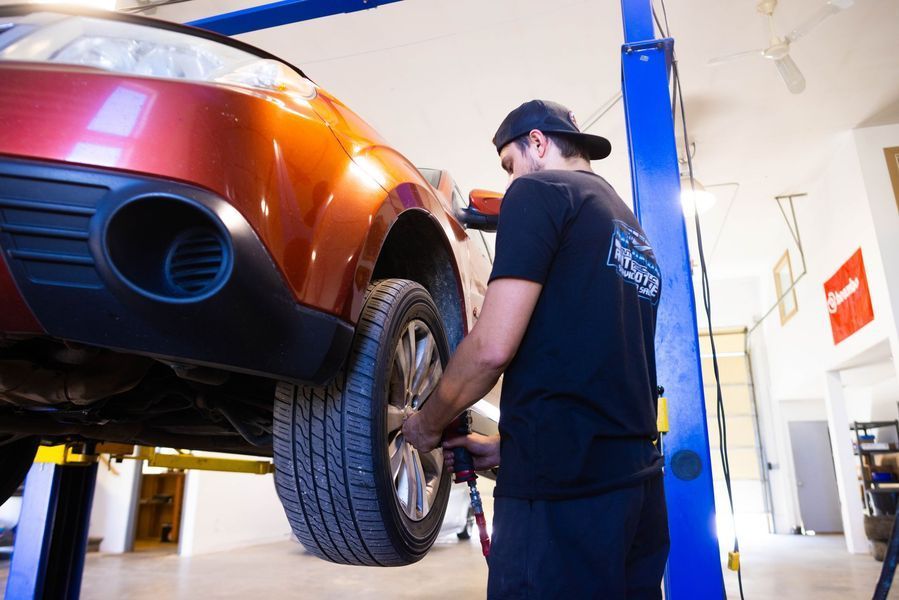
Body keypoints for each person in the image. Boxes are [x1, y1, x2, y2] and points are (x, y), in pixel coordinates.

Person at [402, 99, 669, 599]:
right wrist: (513, 448)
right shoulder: (631, 229)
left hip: (562, 499)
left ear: (538, 143)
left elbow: (491, 348)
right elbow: (597, 363)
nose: (509, 182)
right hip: (637, 490)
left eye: (509, 165)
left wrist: (427, 422)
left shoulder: (539, 191)